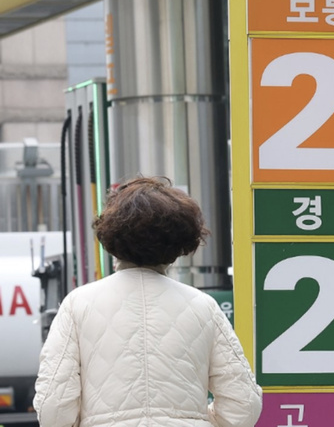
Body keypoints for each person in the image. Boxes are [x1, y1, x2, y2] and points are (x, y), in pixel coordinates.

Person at [34, 176, 262, 427]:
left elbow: (53, 408)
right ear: (180, 244)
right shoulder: (203, 306)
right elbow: (244, 404)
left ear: (111, 239)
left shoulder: (78, 304)